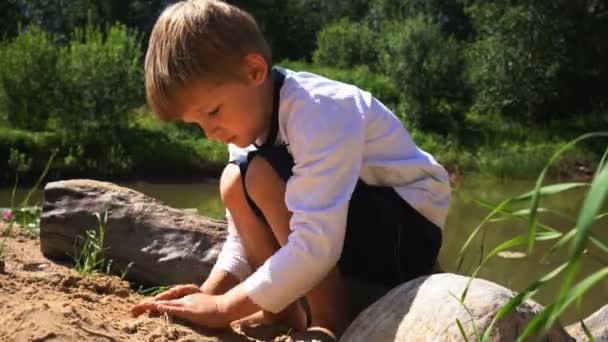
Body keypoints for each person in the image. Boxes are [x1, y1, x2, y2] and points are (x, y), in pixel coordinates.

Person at [130, 0, 451, 338]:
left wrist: (225, 309)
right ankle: (282, 312)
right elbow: (244, 234)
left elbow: (316, 244)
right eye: (197, 125)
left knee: (258, 176)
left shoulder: (318, 110)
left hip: (405, 229)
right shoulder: (247, 122)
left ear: (254, 71)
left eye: (212, 112)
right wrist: (211, 293)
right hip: (345, 228)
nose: (210, 133)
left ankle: (330, 319)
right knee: (234, 182)